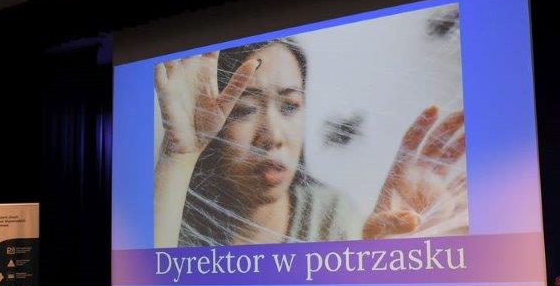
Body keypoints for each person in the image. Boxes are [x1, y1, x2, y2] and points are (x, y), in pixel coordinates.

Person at [153, 38, 467, 247]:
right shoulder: (172, 220)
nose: (273, 136)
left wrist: (378, 256)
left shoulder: (331, 217)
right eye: (244, 109)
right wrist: (180, 155)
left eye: (290, 106)